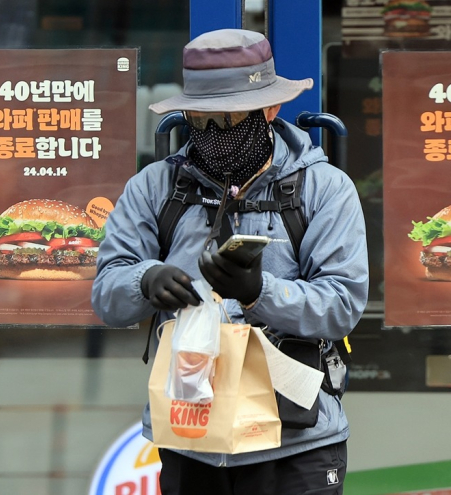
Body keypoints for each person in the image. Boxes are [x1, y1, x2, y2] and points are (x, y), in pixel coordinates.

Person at [91, 28, 369, 495]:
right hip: (191, 437)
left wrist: (260, 293)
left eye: (231, 117)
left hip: (295, 442)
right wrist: (145, 279)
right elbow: (106, 297)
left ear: (271, 109)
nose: (215, 134)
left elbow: (341, 304)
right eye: (201, 120)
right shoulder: (154, 188)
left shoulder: (325, 189)